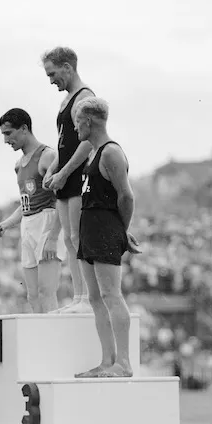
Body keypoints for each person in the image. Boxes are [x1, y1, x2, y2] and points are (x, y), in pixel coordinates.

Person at [71, 97, 140, 378]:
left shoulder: (111, 153)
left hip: (104, 227)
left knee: (112, 295)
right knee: (95, 298)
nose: (75, 129)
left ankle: (123, 362)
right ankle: (107, 360)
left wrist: (120, 231)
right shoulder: (94, 152)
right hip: (90, 227)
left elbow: (126, 196)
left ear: (88, 121)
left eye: (77, 122)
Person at [0, 108, 66, 313]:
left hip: (47, 222)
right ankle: (42, 337)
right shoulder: (19, 165)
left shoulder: (48, 156)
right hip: (28, 225)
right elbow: (26, 204)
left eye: (9, 133)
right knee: (32, 295)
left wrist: (53, 236)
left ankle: (53, 339)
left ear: (24, 129)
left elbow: (62, 200)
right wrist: (4, 225)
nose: (6, 140)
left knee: (46, 292)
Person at [40, 46, 96, 314]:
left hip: (77, 177)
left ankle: (87, 297)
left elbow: (87, 144)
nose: (51, 80)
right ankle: (78, 296)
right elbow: (65, 143)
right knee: (71, 239)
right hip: (65, 177)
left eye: (53, 73)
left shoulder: (84, 98)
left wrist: (63, 172)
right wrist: (53, 168)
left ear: (67, 67)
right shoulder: (67, 100)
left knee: (77, 236)